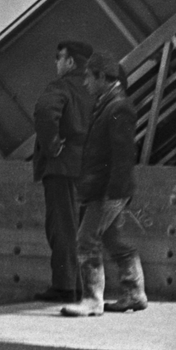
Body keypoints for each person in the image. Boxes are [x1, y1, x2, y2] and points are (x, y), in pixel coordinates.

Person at [62, 53, 148, 317]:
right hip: (106, 190)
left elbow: (123, 157)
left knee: (86, 240)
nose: (86, 82)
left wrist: (114, 195)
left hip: (108, 191)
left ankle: (92, 301)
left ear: (102, 77)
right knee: (113, 241)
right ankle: (134, 294)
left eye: (89, 76)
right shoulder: (107, 104)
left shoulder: (117, 108)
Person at [31, 38, 93, 303]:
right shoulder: (96, 89)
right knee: (85, 229)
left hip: (63, 166)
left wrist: (52, 145)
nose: (56, 62)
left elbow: (44, 112)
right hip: (90, 167)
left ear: (70, 62)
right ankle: (83, 286)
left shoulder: (62, 86)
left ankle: (65, 286)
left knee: (61, 227)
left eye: (59, 57)